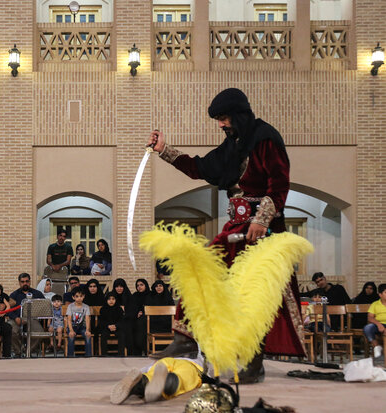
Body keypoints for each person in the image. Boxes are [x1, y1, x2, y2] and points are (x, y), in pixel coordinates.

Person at [147, 88, 304, 383]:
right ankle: (186, 336)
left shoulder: (265, 139)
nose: (221, 124)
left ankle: (254, 364)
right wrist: (164, 151)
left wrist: (261, 219)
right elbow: (200, 168)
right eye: (218, 120)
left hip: (263, 232)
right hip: (235, 228)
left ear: (239, 115)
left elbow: (280, 184)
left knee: (254, 299)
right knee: (201, 270)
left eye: (224, 118)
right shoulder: (234, 146)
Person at [110, 356, 203, 405]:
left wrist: (142, 373)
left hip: (167, 359)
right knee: (181, 379)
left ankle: (141, 383)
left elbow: (144, 370)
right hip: (192, 366)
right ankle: (168, 383)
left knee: (150, 374)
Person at [6, 273, 45, 357]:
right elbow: (8, 310)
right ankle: (18, 352)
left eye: (27, 281)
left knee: (39, 332)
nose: (25, 283)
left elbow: (44, 308)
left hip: (33, 319)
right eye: (22, 282)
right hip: (16, 319)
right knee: (11, 330)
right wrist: (16, 318)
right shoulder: (14, 295)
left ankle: (28, 352)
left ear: (30, 281)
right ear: (19, 282)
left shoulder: (38, 294)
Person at [66, 287, 92, 357]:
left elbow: (87, 319)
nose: (79, 298)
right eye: (77, 296)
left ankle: (88, 355)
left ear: (84, 296)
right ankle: (70, 356)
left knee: (88, 336)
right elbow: (69, 319)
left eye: (81, 296)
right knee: (71, 337)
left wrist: (87, 330)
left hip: (82, 327)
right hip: (72, 326)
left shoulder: (86, 307)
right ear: (73, 297)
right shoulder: (70, 306)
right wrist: (71, 330)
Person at [113, 278, 137, 355]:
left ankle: (130, 353)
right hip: (115, 321)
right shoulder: (111, 296)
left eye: (121, 286)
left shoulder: (129, 297)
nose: (119, 289)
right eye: (117, 286)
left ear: (124, 287)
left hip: (127, 320)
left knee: (128, 326)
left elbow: (132, 312)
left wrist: (124, 313)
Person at [99, 291, 126, 356]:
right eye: (109, 299)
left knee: (122, 334)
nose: (111, 301)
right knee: (103, 335)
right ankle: (104, 355)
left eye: (113, 299)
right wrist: (108, 326)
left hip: (117, 327)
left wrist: (116, 326)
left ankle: (121, 355)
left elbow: (121, 320)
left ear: (116, 300)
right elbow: (102, 321)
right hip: (106, 327)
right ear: (106, 300)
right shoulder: (103, 309)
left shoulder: (119, 309)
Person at [364, 283, 386, 359]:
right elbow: (370, 317)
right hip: (379, 324)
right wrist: (379, 324)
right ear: (380, 294)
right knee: (367, 328)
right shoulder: (375, 304)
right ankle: (377, 346)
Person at [132, 278, 151, 356]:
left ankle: (144, 349)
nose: (139, 287)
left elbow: (151, 307)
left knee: (141, 322)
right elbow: (131, 307)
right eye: (137, 285)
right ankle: (136, 351)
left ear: (145, 285)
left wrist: (143, 312)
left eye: (141, 285)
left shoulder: (151, 295)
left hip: (149, 318)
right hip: (136, 317)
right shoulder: (135, 295)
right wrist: (136, 313)